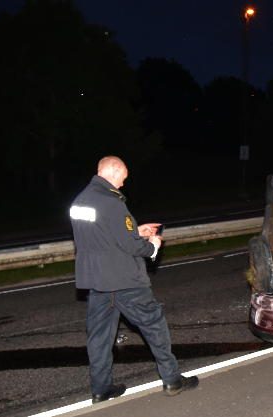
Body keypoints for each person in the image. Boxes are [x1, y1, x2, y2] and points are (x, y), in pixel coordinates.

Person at [69, 155, 198, 403]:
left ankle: (101, 388)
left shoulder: (80, 201)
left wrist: (137, 230)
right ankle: (172, 380)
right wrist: (153, 245)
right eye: (123, 179)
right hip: (125, 281)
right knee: (155, 327)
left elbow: (103, 235)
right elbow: (130, 246)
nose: (123, 184)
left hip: (97, 283)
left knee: (99, 338)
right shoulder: (113, 202)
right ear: (115, 172)